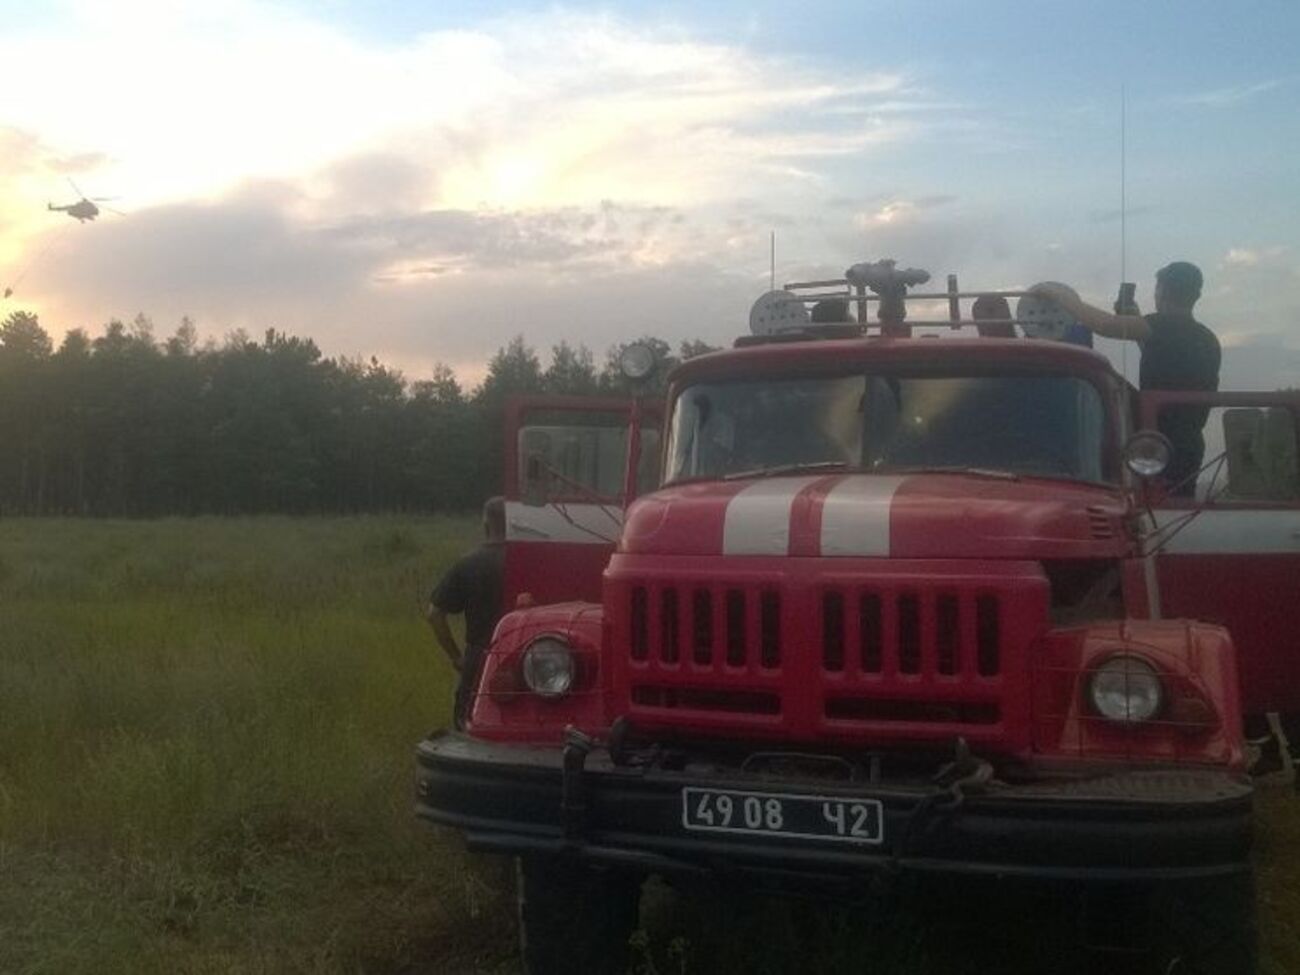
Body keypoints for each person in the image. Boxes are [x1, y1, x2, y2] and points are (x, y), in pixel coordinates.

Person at [1031, 262, 1221, 495]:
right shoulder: (1206, 338)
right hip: (1190, 442)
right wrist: (1134, 317)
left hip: (1156, 442)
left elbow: (1106, 325)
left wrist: (1063, 298)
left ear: (1161, 291)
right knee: (1178, 507)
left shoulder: (1160, 325)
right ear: (1197, 294)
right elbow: (1163, 354)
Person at [425, 496, 506, 728]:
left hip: (478, 658)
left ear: (486, 524)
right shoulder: (530, 561)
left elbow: (434, 614)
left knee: (468, 726)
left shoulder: (468, 564)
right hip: (528, 660)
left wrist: (456, 656)